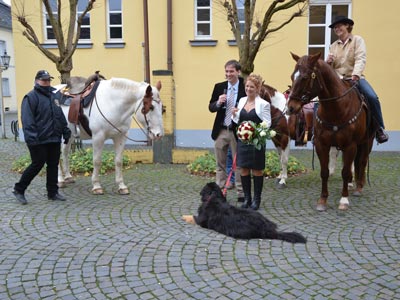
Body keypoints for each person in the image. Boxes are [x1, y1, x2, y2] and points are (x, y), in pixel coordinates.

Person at [327, 16, 389, 144]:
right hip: (338, 80)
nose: (336, 29)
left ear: (347, 26)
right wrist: (328, 63)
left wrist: (356, 75)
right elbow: (330, 69)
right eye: (335, 27)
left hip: (354, 78)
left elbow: (361, 58)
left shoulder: (357, 40)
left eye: (339, 26)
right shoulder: (333, 46)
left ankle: (379, 129)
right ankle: (317, 132)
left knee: (372, 97)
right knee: (320, 99)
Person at [12, 70, 71, 205]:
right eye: (44, 80)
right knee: (37, 164)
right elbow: (27, 120)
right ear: (37, 81)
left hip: (54, 137)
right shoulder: (30, 97)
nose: (47, 83)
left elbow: (59, 115)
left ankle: (52, 192)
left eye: (48, 80)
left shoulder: (53, 96)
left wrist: (65, 130)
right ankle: (19, 189)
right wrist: (32, 139)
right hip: (39, 139)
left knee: (53, 165)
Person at [232, 74, 271, 210]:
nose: (248, 89)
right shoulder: (242, 100)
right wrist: (234, 115)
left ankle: (256, 199)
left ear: (258, 88)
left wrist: (254, 131)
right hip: (243, 141)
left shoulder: (264, 104)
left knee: (257, 170)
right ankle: (247, 198)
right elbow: (238, 120)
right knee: (243, 169)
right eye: (247, 86)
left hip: (256, 142)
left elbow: (267, 123)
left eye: (252, 87)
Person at [209, 59, 246, 201]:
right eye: (226, 71)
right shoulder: (219, 87)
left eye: (231, 71)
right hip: (221, 130)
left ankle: (241, 193)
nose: (228, 74)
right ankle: (220, 193)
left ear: (238, 71)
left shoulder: (245, 86)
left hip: (238, 131)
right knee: (220, 163)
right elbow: (211, 107)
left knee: (238, 163)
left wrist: (240, 111)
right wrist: (218, 102)